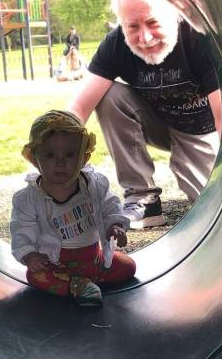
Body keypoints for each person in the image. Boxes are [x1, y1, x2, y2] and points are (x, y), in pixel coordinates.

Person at [68, 0, 222, 229]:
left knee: (217, 205)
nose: (145, 37)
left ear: (174, 12)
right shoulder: (116, 44)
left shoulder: (198, 37)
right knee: (109, 95)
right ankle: (142, 198)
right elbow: (79, 107)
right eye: (132, 26)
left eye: (153, 23)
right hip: (155, 121)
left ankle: (207, 181)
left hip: (199, 128)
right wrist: (51, 143)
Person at [10, 110, 136, 307]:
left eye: (70, 155)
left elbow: (109, 205)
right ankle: (76, 284)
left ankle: (83, 283)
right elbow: (22, 228)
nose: (60, 162)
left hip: (93, 259)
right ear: (35, 158)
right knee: (35, 276)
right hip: (55, 264)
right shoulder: (29, 198)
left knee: (128, 267)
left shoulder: (92, 185)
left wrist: (114, 224)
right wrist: (28, 253)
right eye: (50, 155)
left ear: (83, 158)